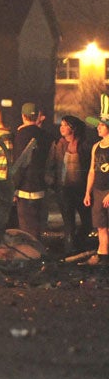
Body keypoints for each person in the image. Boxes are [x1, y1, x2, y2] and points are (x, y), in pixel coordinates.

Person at [50, 115, 92, 253]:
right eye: (61, 125)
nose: (61, 128)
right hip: (64, 190)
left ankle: (78, 244)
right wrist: (53, 182)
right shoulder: (59, 144)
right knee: (69, 224)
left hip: (81, 189)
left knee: (88, 222)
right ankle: (69, 250)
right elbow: (52, 165)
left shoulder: (84, 145)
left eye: (65, 125)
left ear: (73, 128)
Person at [13, 102, 52, 241]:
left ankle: (31, 257)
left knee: (26, 229)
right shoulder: (45, 136)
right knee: (37, 226)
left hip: (24, 188)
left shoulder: (19, 135)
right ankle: (40, 253)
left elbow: (19, 163)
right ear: (37, 116)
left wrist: (14, 187)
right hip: (40, 187)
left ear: (23, 116)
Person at [84, 95, 109, 266]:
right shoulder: (96, 147)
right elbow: (92, 170)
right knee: (101, 226)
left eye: (101, 125)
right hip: (98, 191)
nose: (98, 128)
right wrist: (88, 192)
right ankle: (103, 255)